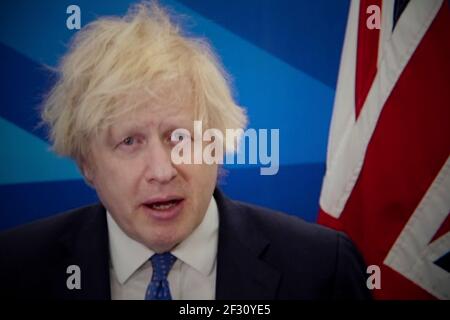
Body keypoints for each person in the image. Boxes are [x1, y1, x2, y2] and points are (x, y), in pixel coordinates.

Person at [0, 2, 371, 300]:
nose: (163, 171)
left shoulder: (323, 268)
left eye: (181, 137)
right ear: (87, 163)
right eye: (129, 141)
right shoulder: (16, 267)